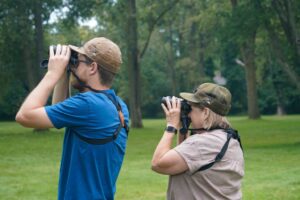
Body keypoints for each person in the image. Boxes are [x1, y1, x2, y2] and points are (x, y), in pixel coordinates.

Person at [16, 37, 129, 200]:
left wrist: (52, 74)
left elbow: (24, 116)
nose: (73, 64)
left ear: (92, 68)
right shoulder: (119, 106)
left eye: (77, 61)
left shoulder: (87, 105)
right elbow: (59, 113)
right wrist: (65, 74)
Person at [151, 83, 244, 200]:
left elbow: (158, 164)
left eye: (191, 108)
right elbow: (183, 162)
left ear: (205, 113)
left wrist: (171, 126)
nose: (188, 113)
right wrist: (182, 127)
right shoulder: (229, 138)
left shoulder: (202, 144)